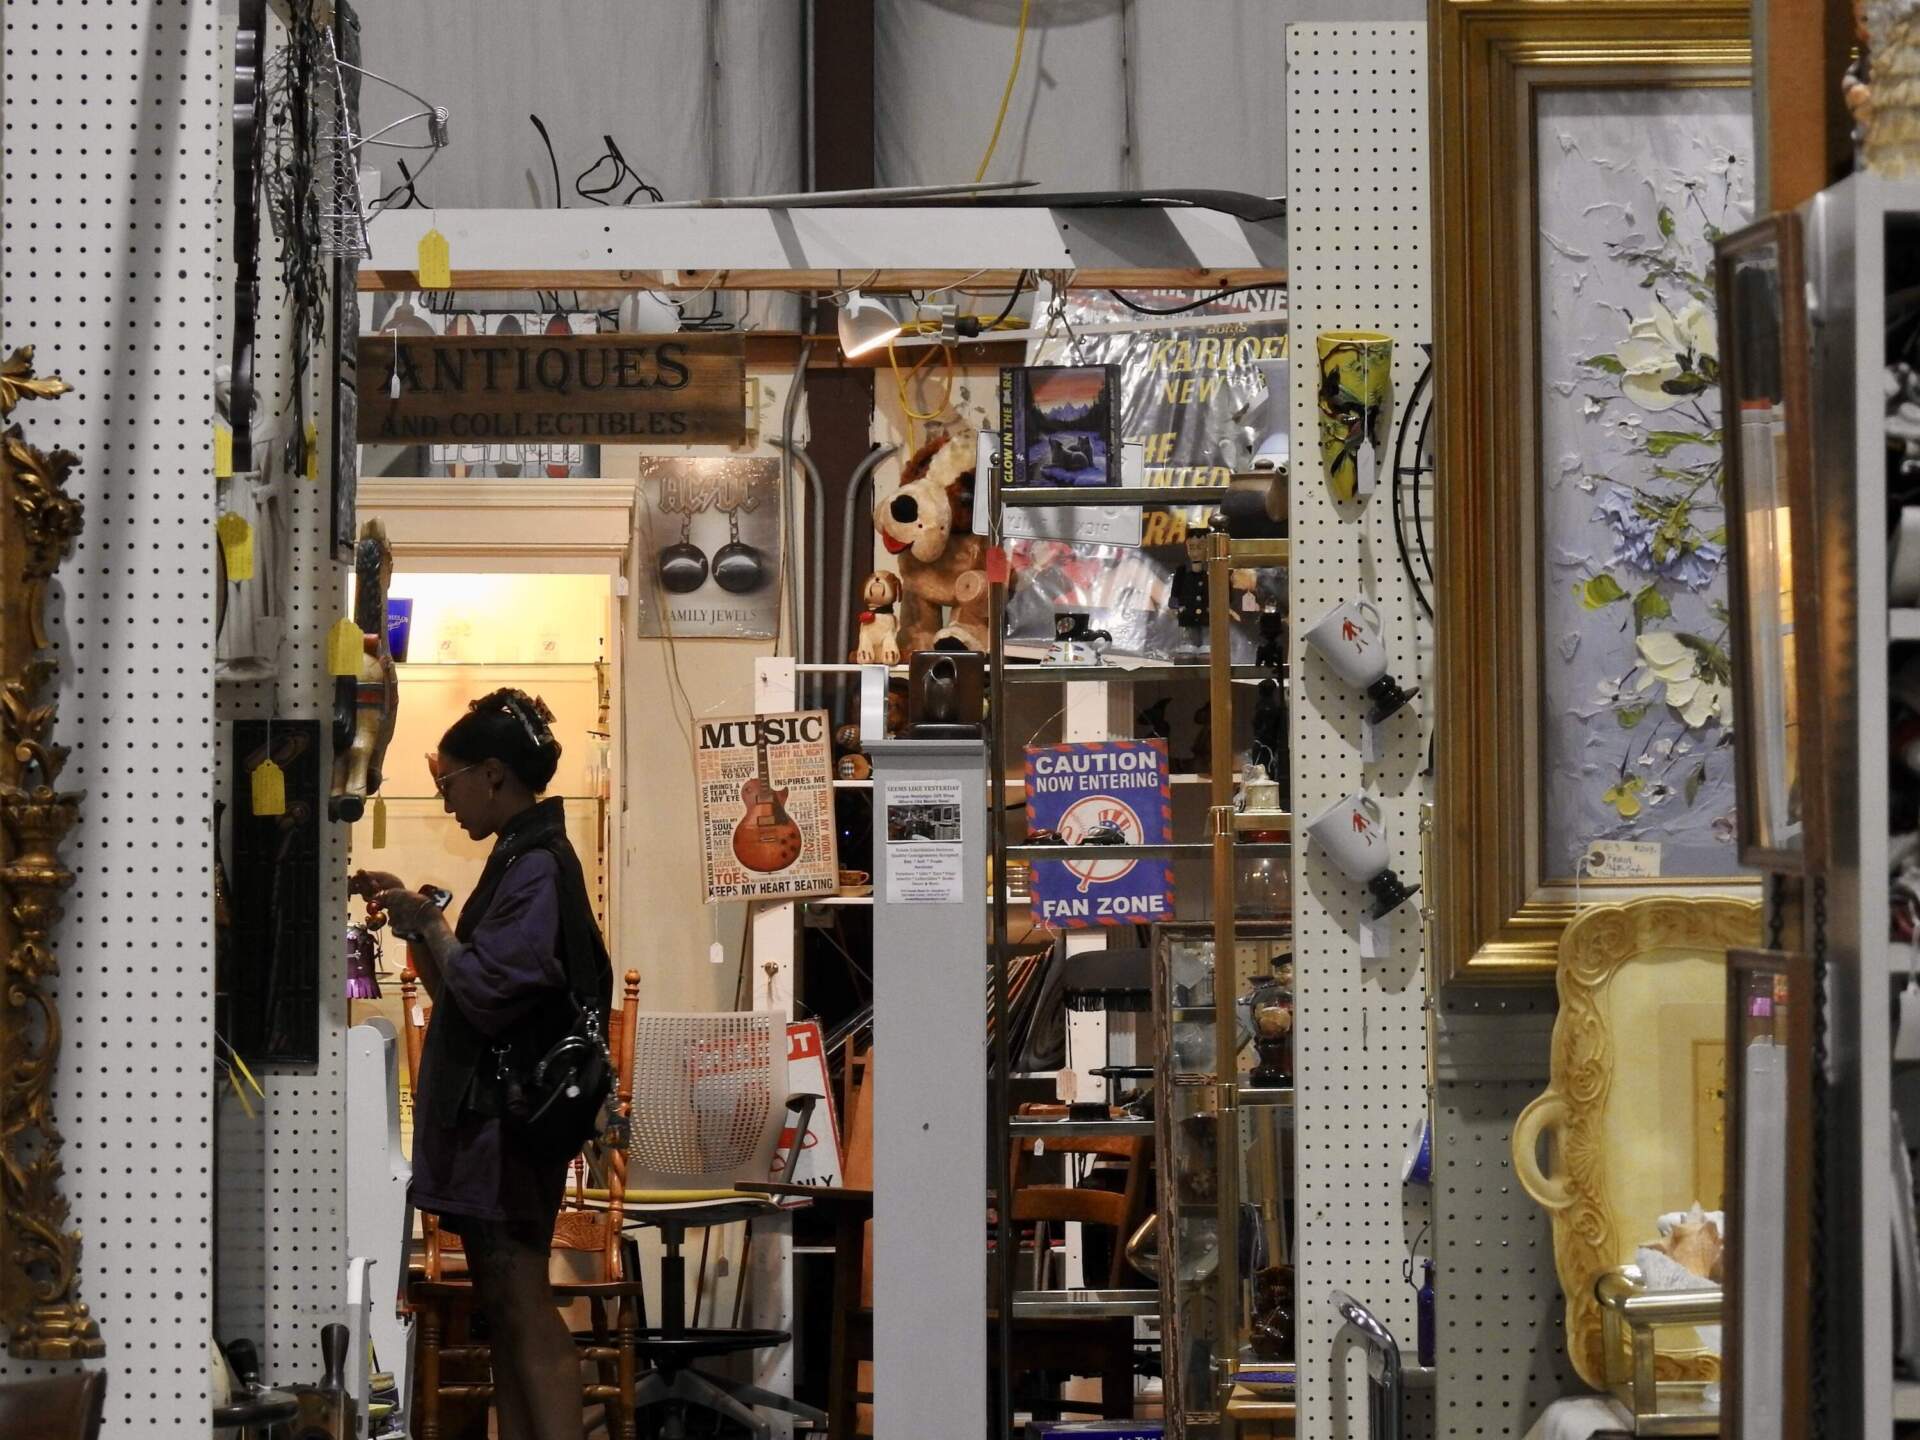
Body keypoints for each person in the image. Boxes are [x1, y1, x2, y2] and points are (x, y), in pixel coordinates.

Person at [351, 687, 612, 1440]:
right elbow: (466, 991)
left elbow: (491, 995)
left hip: (510, 1122)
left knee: (523, 1301)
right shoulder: (524, 856)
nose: (448, 801)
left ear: (493, 774)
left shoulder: (534, 865)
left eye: (450, 783)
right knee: (504, 1303)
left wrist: (432, 921)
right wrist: (418, 920)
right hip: (502, 1120)